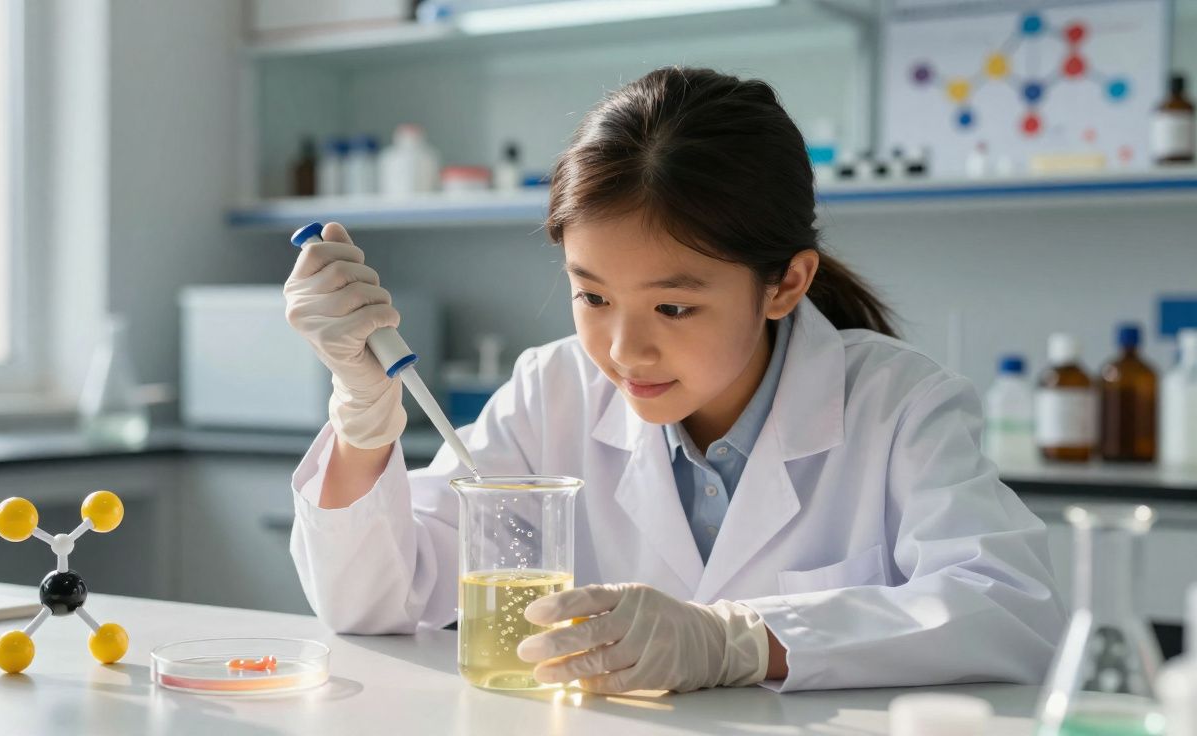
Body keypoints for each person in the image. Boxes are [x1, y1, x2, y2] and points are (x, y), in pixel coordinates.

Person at [284, 66, 1066, 694]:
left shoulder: (899, 406)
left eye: (673, 305)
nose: (626, 349)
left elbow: (1008, 609)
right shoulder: (549, 391)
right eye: (591, 295)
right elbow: (374, 604)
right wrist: (363, 417)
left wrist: (741, 641)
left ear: (786, 283)